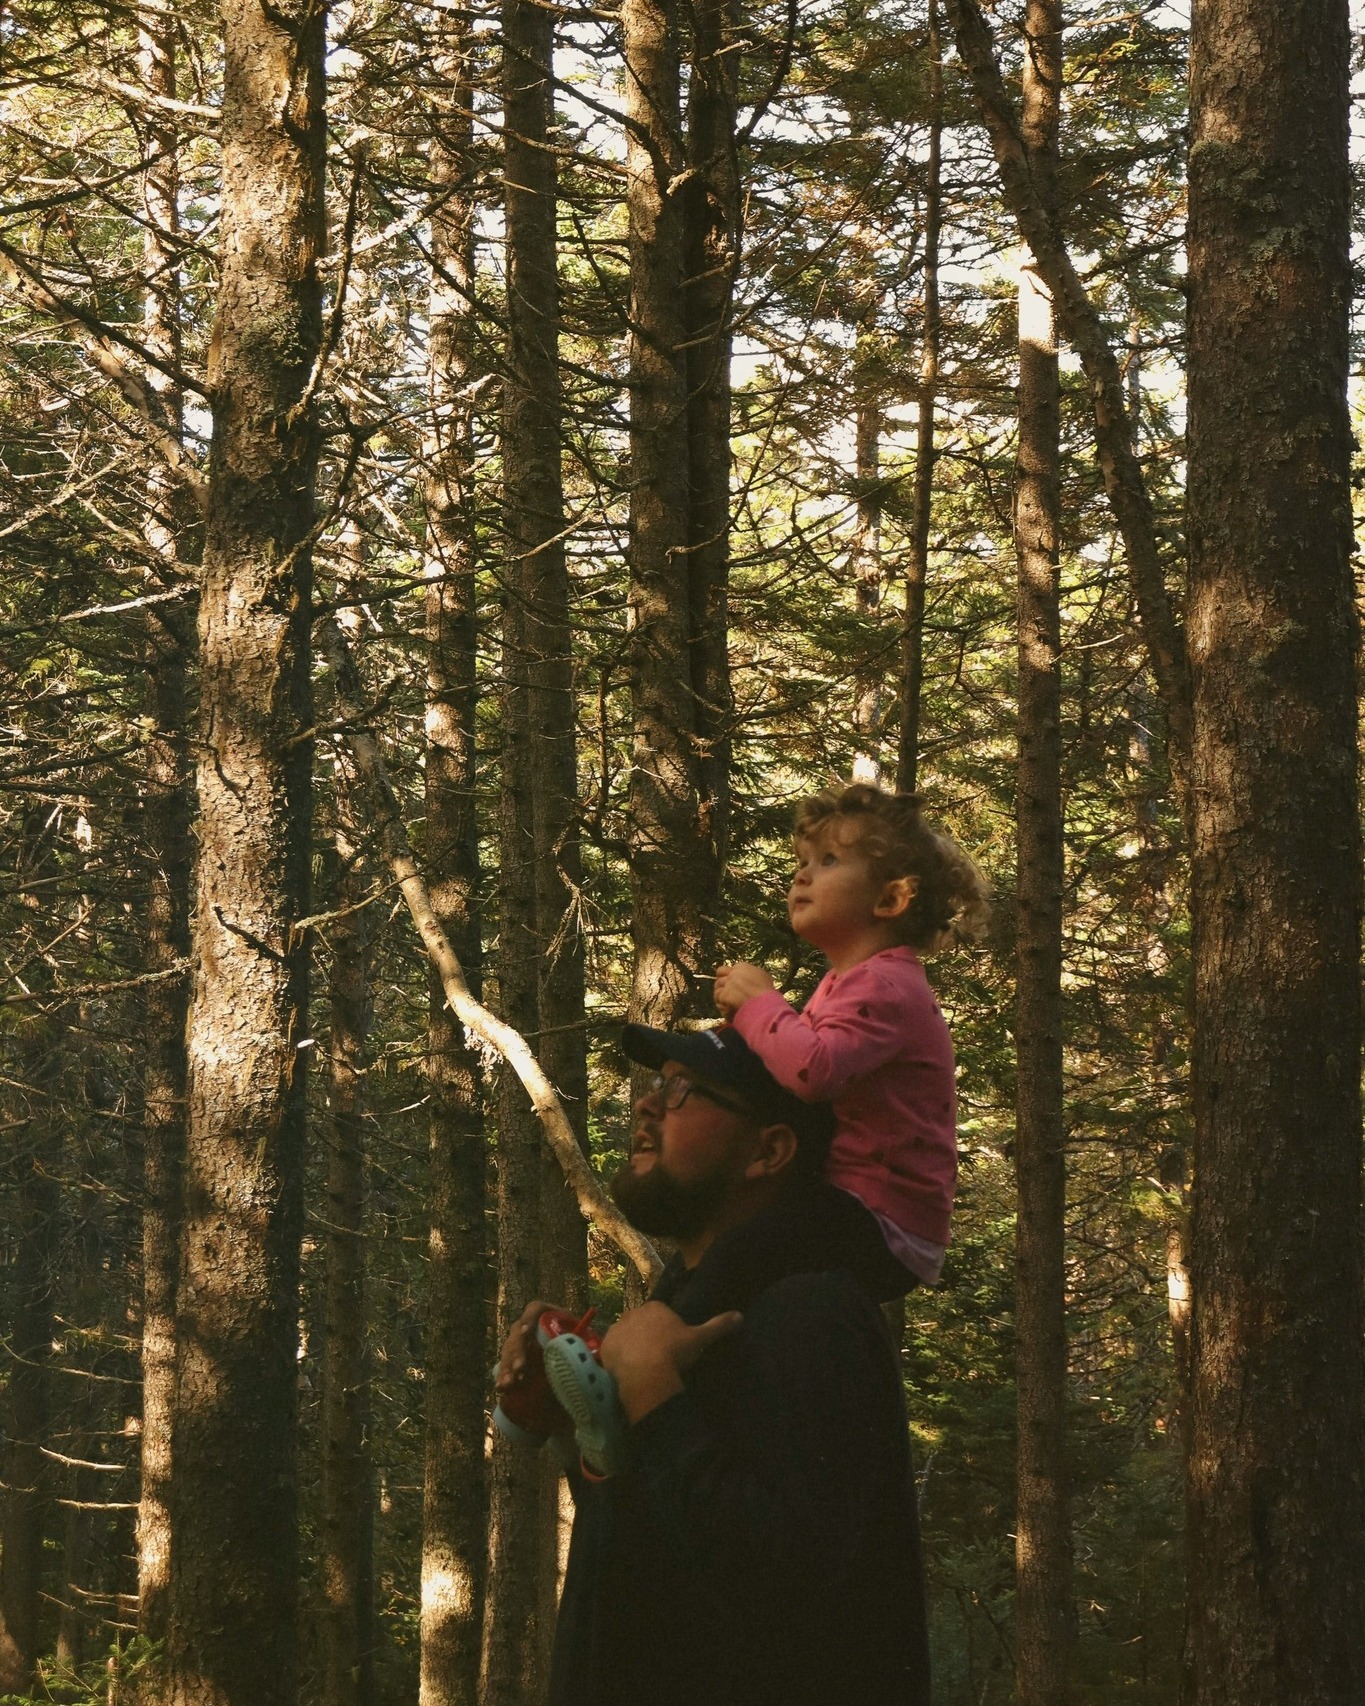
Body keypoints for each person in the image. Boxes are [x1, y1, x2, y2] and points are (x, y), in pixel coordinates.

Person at [495, 1023, 932, 1706]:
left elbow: (788, 1588)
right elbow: (654, 1565)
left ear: (769, 1151)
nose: (646, 1104)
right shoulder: (688, 1309)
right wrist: (580, 1422)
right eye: (655, 1083)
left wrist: (653, 1399)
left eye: (682, 1090)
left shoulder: (810, 1309)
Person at [714, 782, 989, 1300]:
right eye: (803, 861)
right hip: (857, 1206)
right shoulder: (851, 981)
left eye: (829, 861)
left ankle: (663, 1339)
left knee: (733, 1253)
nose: (802, 874)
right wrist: (743, 1030)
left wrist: (761, 1004)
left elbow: (814, 1071)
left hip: (880, 1221)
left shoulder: (885, 984)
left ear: (890, 899)